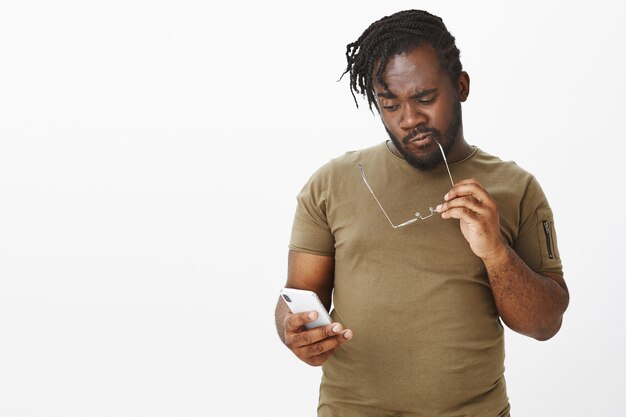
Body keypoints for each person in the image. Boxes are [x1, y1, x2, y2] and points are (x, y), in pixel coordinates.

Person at [274, 9, 569, 417]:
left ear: (461, 86)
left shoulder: (516, 188)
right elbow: (299, 296)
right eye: (390, 104)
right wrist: (294, 330)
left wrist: (495, 251)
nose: (409, 119)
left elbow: (545, 324)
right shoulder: (331, 183)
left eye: (425, 98)